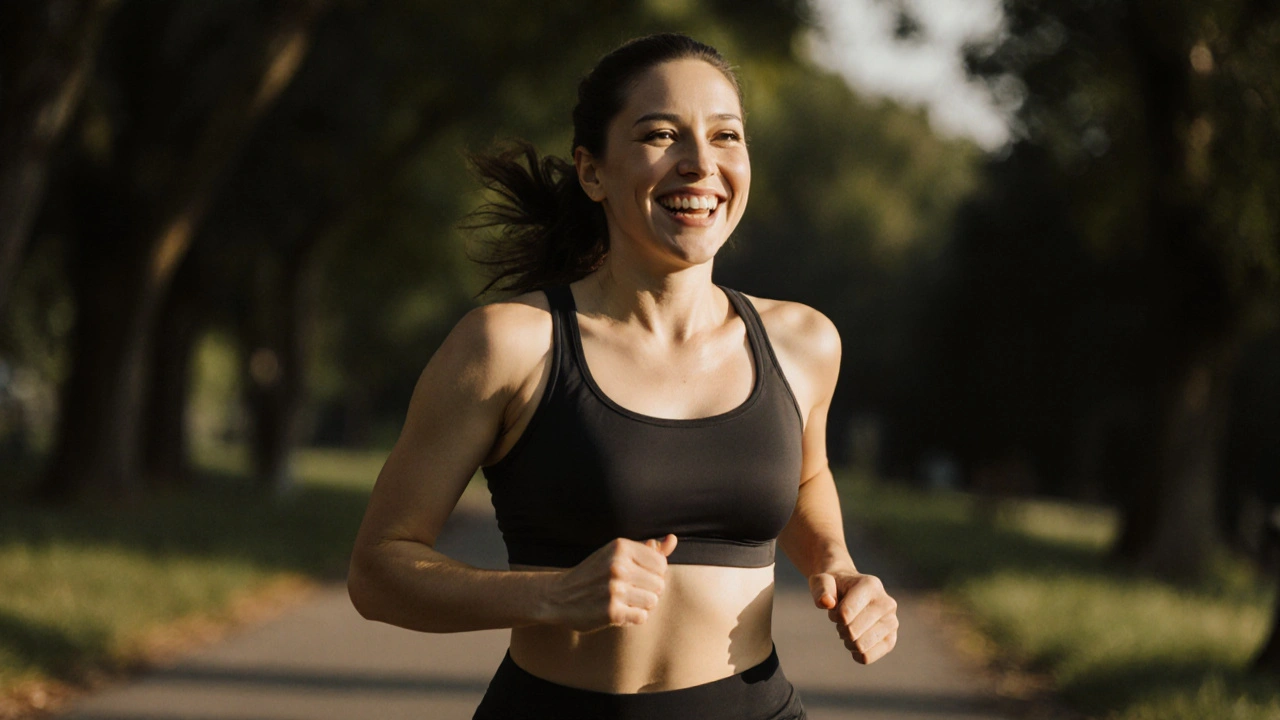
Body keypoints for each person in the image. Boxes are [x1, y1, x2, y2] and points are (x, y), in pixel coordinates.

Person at [347, 32, 899, 720]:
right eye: (661, 135)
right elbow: (378, 573)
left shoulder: (803, 342)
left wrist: (838, 569)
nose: (700, 164)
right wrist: (549, 595)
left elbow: (807, 478)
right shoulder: (509, 345)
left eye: (726, 136)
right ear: (592, 171)